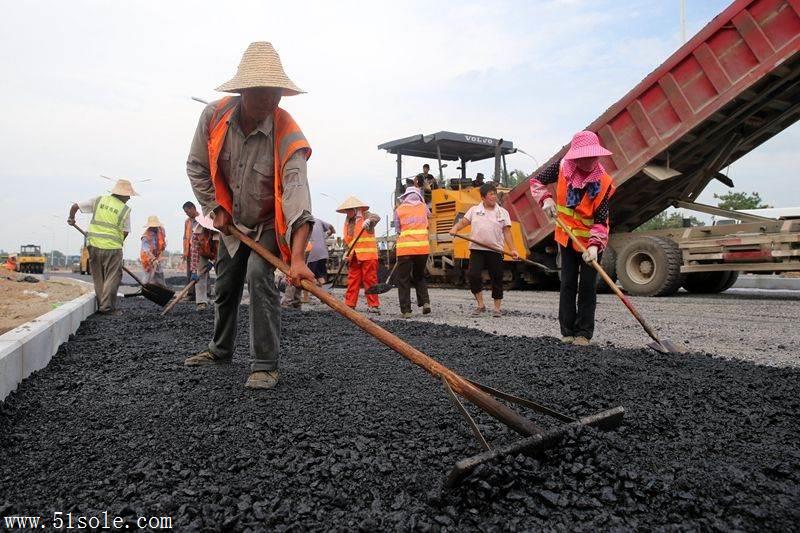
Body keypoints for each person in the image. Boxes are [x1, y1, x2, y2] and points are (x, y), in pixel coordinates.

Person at [184, 41, 315, 390]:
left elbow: (296, 193)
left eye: (277, 94)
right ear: (243, 91)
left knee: (259, 276)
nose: (272, 102)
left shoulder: (287, 133)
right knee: (226, 284)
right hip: (231, 221)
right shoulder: (214, 118)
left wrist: (298, 258)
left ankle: (264, 363)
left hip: (270, 221)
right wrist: (215, 209)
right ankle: (220, 349)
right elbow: (196, 167)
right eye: (263, 94)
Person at [529, 130, 615, 346]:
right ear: (575, 157)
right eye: (583, 157)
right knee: (567, 282)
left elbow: (601, 219)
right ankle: (567, 331)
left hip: (591, 242)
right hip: (566, 238)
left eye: (592, 157)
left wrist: (595, 246)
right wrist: (546, 200)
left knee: (587, 285)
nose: (588, 161)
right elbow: (536, 182)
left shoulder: (603, 182)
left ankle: (584, 333)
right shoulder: (562, 168)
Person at [449, 182, 519, 317]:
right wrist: (455, 228)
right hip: (477, 249)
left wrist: (513, 249)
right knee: (473, 275)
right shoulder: (474, 210)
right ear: (483, 198)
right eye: (491, 194)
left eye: (495, 194)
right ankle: (480, 305)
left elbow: (507, 232)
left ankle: (497, 308)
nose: (494, 197)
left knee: (497, 278)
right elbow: (463, 222)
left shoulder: (503, 212)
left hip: (495, 250)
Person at [67, 179, 136, 315]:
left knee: (98, 276)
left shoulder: (99, 201)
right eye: (128, 195)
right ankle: (107, 308)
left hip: (93, 245)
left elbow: (75, 206)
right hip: (112, 248)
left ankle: (101, 305)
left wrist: (71, 218)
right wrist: (118, 241)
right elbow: (126, 231)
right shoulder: (125, 210)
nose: (129, 198)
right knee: (113, 277)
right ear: (121, 195)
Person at [338, 196, 381, 314]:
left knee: (370, 281)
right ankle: (349, 304)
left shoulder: (365, 215)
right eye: (346, 210)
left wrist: (369, 221)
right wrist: (346, 252)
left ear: (355, 208)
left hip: (368, 255)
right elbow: (348, 240)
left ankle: (373, 305)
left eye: (348, 210)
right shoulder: (347, 222)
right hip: (354, 256)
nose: (347, 212)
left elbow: (376, 217)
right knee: (352, 280)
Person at [394, 187, 431, 318]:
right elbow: (428, 221)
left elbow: (398, 230)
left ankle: (406, 311)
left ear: (406, 196)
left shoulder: (399, 209)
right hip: (422, 248)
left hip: (405, 249)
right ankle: (425, 302)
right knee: (419, 275)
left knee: (403, 279)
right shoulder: (423, 207)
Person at [188, 213, 218, 311]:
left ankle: (221, 300)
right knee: (200, 275)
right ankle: (201, 302)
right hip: (202, 253)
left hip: (215, 253)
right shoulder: (196, 234)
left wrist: (213, 262)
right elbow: (194, 253)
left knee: (222, 274)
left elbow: (219, 251)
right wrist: (193, 271)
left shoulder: (217, 232)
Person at [140, 216, 167, 287]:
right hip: (147, 258)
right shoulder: (146, 237)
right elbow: (147, 251)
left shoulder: (161, 230)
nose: (154, 228)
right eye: (152, 226)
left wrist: (158, 257)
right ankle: (146, 288)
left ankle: (162, 288)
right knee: (148, 274)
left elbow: (163, 242)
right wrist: (153, 259)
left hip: (157, 256)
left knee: (159, 273)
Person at [182, 201, 199, 300]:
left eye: (187, 211)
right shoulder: (187, 221)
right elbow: (185, 237)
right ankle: (191, 293)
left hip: (200, 249)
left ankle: (204, 292)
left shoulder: (201, 219)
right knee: (190, 272)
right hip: (189, 250)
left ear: (193, 208)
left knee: (201, 271)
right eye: (185, 212)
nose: (187, 213)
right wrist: (185, 251)